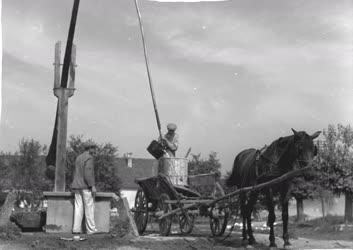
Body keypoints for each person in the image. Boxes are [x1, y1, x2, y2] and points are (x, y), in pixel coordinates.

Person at [71, 141, 98, 235]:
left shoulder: (78, 157)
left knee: (78, 208)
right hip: (85, 186)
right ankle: (91, 230)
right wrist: (92, 186)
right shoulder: (89, 158)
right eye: (94, 148)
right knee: (89, 207)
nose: (95, 150)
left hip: (76, 186)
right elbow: (88, 173)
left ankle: (76, 229)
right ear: (90, 148)